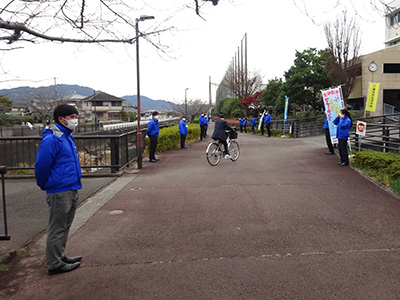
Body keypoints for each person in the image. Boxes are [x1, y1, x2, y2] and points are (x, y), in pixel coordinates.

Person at [34, 104, 82, 275]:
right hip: (59, 190)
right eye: (72, 116)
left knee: (65, 225)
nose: (75, 119)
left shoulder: (66, 136)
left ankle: (60, 255)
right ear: (61, 119)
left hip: (71, 186)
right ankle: (54, 264)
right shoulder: (52, 139)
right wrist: (45, 184)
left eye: (76, 116)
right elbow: (41, 165)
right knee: (57, 227)